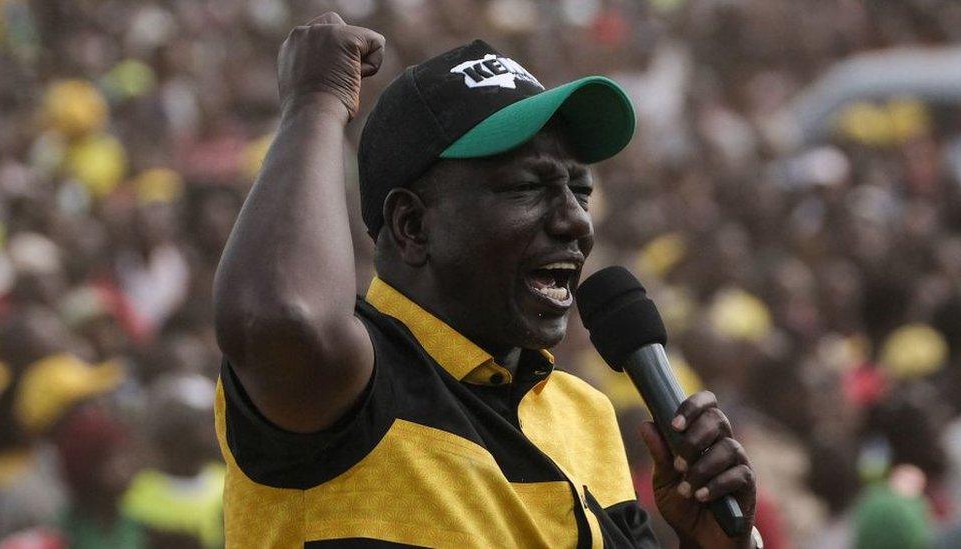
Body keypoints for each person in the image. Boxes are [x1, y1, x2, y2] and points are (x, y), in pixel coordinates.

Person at [213, 11, 758, 548]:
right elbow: (280, 317)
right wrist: (313, 104)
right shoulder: (347, 387)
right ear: (412, 226)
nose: (576, 220)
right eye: (528, 187)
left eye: (580, 189)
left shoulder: (584, 414)